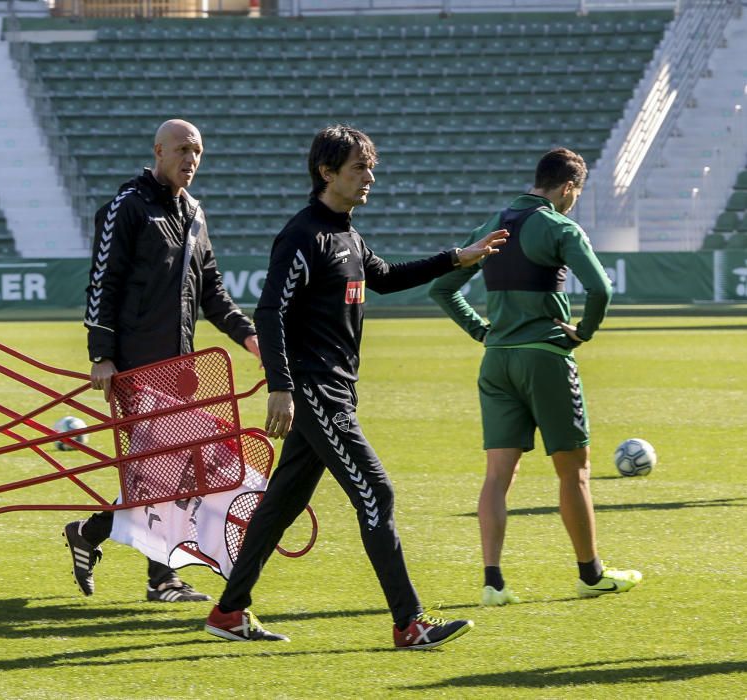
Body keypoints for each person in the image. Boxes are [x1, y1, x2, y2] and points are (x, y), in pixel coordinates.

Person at [203, 125, 508, 648]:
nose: (369, 178)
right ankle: (409, 624)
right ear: (327, 173)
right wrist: (282, 386)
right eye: (358, 169)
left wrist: (459, 257)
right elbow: (269, 310)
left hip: (336, 389)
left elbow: (384, 277)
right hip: (317, 390)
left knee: (280, 504)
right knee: (378, 493)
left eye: (370, 168)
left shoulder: (347, 234)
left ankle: (229, 612)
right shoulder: (303, 235)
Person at [428, 147, 642, 607]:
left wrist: (481, 332)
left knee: (497, 476)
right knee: (574, 472)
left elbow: (442, 287)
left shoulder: (493, 224)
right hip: (544, 358)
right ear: (568, 187)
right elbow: (600, 287)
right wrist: (582, 332)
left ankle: (493, 584)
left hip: (497, 361)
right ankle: (591, 574)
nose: (574, 203)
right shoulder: (560, 226)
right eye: (575, 195)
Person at [64, 119, 260, 603]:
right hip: (134, 369)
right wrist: (102, 355)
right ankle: (161, 578)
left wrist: (249, 335)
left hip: (181, 370)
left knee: (166, 473)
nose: (190, 159)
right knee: (165, 473)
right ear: (158, 151)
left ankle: (90, 535)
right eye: (182, 150)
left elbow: (212, 291)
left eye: (197, 151)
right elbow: (101, 283)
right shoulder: (126, 208)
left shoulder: (194, 213)